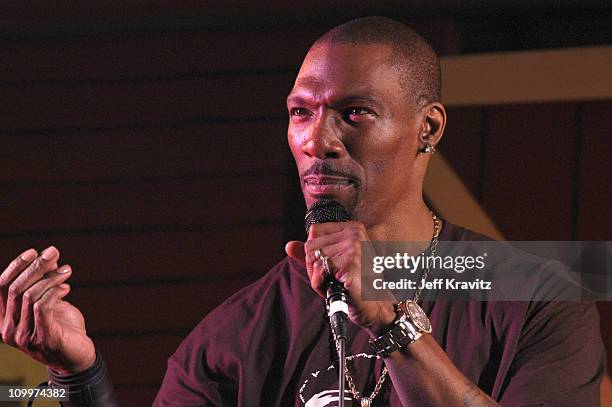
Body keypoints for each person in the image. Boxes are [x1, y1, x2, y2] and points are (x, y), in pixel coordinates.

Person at [0, 16, 605, 407]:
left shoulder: (535, 295)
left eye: (355, 112)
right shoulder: (232, 337)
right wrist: (77, 379)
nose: (318, 140)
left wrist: (396, 323)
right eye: (300, 112)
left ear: (428, 128)